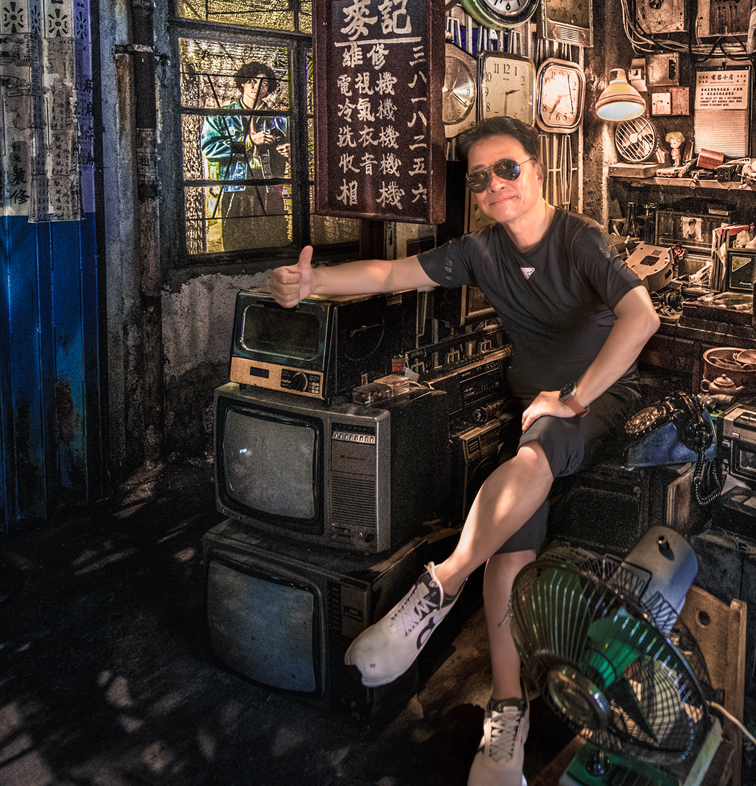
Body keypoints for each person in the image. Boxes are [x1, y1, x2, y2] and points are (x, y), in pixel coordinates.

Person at [265, 115, 660, 786]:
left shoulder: (580, 240)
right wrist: (312, 285)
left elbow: (641, 316)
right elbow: (390, 272)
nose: (495, 185)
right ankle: (508, 712)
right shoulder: (480, 251)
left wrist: (574, 397)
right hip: (537, 412)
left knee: (534, 453)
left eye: (508, 169)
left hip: (597, 401)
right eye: (480, 178)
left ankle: (441, 585)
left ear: (538, 170)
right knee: (506, 554)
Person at [202, 61, 290, 251]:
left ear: (269, 88)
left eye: (264, 83)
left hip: (270, 188)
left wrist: (291, 151)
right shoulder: (220, 116)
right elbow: (209, 148)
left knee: (273, 242)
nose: (257, 86)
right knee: (237, 243)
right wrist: (249, 141)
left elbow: (301, 151)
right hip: (236, 188)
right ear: (242, 82)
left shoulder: (280, 119)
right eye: (252, 81)